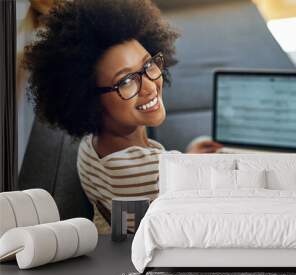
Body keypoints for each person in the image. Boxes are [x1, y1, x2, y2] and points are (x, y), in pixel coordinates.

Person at [22, 0, 222, 232]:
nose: (149, 86)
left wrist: (186, 161)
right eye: (126, 81)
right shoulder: (148, 174)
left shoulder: (92, 144)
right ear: (89, 98)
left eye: (147, 64)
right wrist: (195, 168)